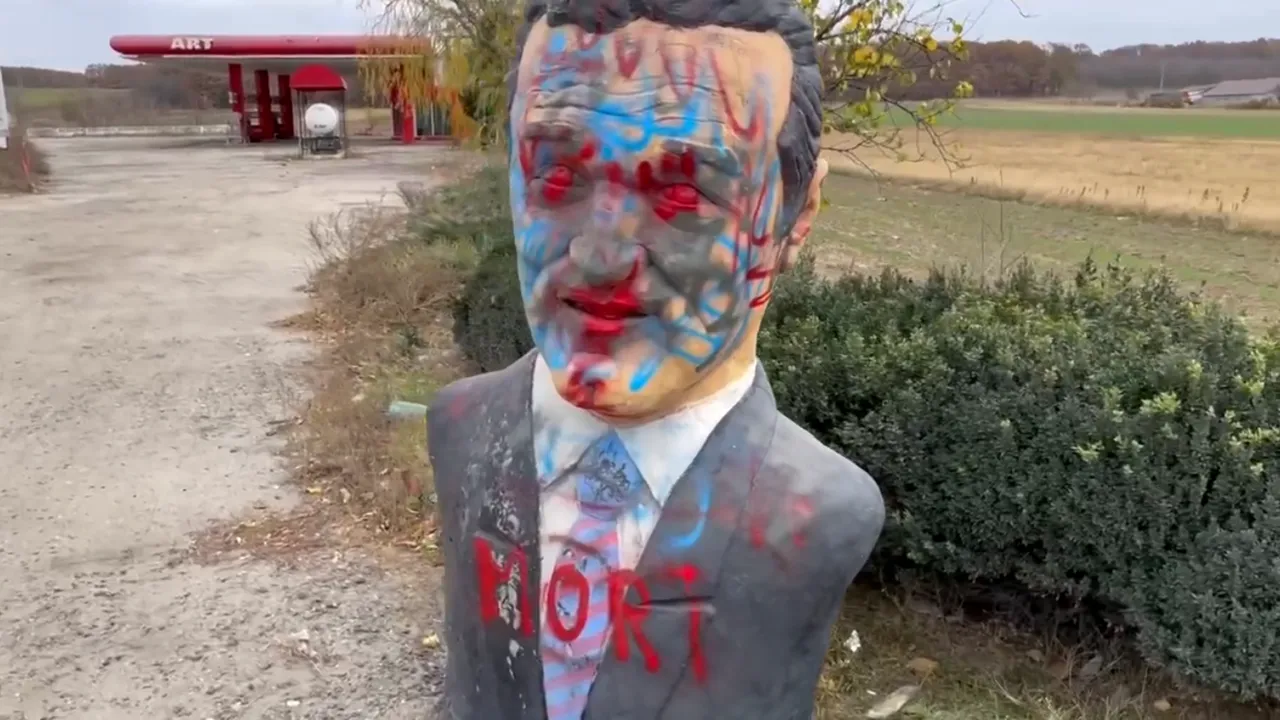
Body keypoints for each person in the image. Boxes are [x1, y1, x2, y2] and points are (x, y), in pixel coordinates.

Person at [427, 1, 885, 717]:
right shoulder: (460, 427)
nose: (600, 256)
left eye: (682, 192)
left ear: (797, 215)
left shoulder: (822, 511)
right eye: (557, 176)